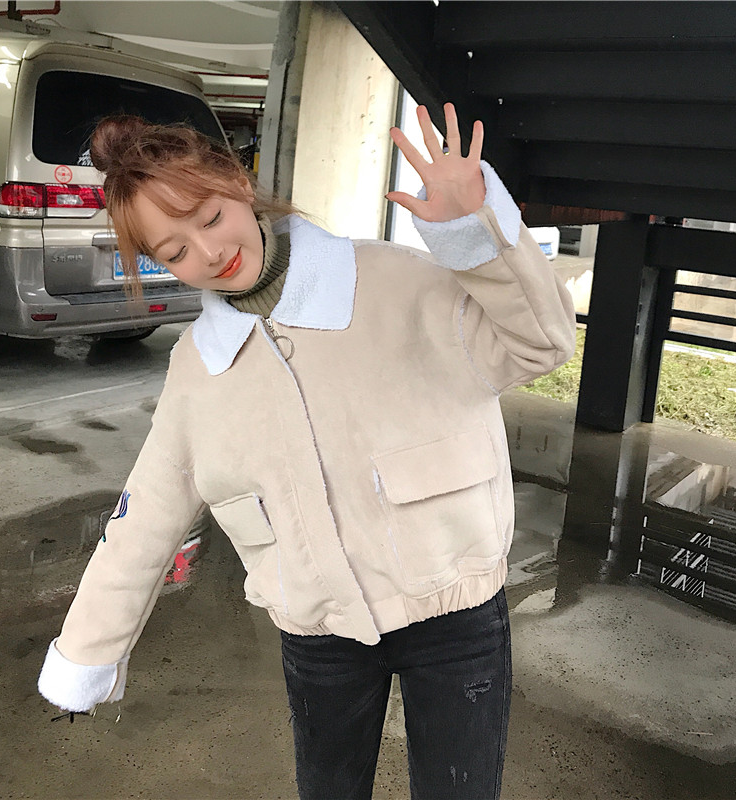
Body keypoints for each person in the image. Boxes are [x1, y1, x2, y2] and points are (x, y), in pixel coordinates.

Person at [38, 102, 575, 799]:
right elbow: (143, 518)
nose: (208, 253)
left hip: (457, 615)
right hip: (320, 637)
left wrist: (474, 235)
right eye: (173, 253)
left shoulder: (395, 279)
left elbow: (541, 344)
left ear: (238, 182)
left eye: (210, 217)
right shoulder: (198, 371)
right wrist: (86, 653)